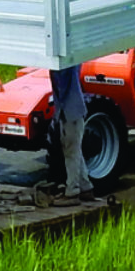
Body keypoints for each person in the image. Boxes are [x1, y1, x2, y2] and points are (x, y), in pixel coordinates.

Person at [50, 64, 94, 205]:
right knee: (74, 150)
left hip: (71, 112)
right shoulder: (71, 65)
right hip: (72, 112)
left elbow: (61, 86)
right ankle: (85, 187)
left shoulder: (65, 68)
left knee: (71, 152)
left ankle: (72, 191)